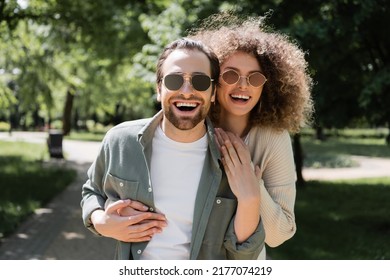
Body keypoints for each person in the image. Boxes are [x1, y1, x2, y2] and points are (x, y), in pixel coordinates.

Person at [81, 38, 265, 260]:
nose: (187, 91)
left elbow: (244, 256)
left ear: (213, 93)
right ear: (159, 89)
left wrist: (251, 200)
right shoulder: (120, 141)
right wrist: (101, 222)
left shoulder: (233, 157)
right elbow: (92, 191)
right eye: (175, 80)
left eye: (200, 82)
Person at [189, 13, 314, 259]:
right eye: (231, 75)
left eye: (255, 78)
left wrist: (250, 185)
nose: (243, 85)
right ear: (213, 80)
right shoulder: (191, 126)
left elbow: (279, 235)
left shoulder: (274, 138)